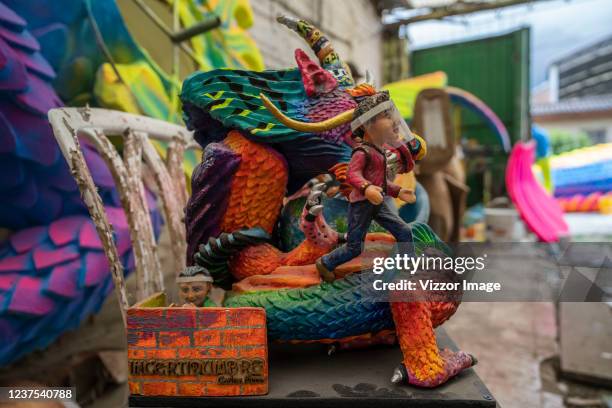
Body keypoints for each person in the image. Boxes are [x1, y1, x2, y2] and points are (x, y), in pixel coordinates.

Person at [316, 91, 426, 282]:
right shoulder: (362, 152)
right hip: (361, 206)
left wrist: (398, 191)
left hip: (377, 203)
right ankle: (325, 263)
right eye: (386, 117)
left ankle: (409, 269)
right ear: (368, 125)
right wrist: (367, 188)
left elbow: (381, 181)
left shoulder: (380, 152)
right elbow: (353, 175)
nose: (395, 122)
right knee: (355, 247)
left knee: (404, 231)